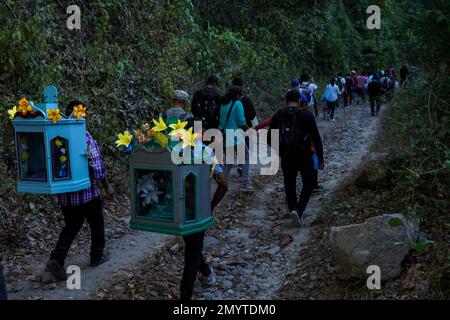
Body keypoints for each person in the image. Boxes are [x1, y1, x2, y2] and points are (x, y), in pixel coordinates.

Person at [45, 100, 114, 281]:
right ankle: (96, 256)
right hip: (87, 193)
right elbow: (96, 166)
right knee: (96, 222)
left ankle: (56, 260)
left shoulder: (57, 135)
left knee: (71, 226)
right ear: (81, 114)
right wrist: (107, 185)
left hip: (66, 195)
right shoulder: (84, 136)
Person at [179, 118, 228, 301]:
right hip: (199, 210)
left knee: (192, 246)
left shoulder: (175, 150)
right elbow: (223, 183)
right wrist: (210, 207)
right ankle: (185, 296)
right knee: (192, 252)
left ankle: (207, 273)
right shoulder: (206, 152)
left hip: (178, 208)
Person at [269, 90, 324, 227]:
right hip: (305, 155)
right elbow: (316, 138)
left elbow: (270, 137)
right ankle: (299, 211)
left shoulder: (278, 115)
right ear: (299, 101)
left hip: (287, 156)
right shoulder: (306, 115)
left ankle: (293, 209)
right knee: (309, 182)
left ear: (285, 101)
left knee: (289, 183)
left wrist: (279, 151)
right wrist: (321, 158)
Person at [219, 87, 253, 192]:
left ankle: (222, 183)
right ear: (237, 95)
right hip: (236, 136)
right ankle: (245, 184)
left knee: (229, 161)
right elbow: (241, 122)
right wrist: (250, 130)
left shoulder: (223, 104)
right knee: (246, 159)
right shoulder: (238, 103)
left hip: (226, 135)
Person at [232, 77, 256, 186]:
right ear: (242, 87)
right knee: (246, 149)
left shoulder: (226, 101)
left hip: (231, 128)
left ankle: (238, 167)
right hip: (244, 127)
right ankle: (244, 179)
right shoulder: (246, 100)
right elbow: (252, 115)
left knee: (233, 150)